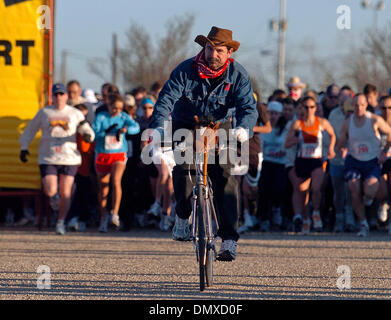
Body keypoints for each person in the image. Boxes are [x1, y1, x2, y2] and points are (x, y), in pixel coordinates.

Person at [149, 26, 258, 261]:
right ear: (204, 48)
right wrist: (158, 126)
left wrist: (243, 130)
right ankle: (181, 214)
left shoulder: (238, 74)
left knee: (226, 177)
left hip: (220, 125)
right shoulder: (185, 70)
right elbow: (166, 98)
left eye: (219, 50)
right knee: (183, 169)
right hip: (186, 123)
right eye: (210, 48)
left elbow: (248, 107)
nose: (213, 54)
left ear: (229, 52)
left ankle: (228, 239)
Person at [19, 83, 95, 235]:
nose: (59, 97)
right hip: (48, 156)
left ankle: (61, 222)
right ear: (52, 97)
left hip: (69, 157)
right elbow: (30, 129)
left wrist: (88, 135)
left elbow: (85, 128)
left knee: (66, 192)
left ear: (66, 96)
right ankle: (54, 199)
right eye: (56, 94)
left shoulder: (74, 113)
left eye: (62, 94)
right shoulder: (44, 112)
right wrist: (24, 147)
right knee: (51, 189)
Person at [337, 93, 391, 237]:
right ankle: (363, 223)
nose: (359, 108)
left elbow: (390, 133)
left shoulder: (374, 120)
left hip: (372, 160)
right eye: (356, 105)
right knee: (354, 187)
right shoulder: (348, 122)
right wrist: (341, 148)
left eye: (361, 105)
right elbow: (341, 140)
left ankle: (368, 200)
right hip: (354, 160)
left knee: (370, 191)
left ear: (366, 105)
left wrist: (384, 152)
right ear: (352, 106)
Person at [285, 96, 336, 235]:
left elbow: (332, 135)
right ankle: (306, 219)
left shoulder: (322, 122)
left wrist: (331, 149)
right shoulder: (297, 124)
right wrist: (296, 139)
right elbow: (286, 143)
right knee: (302, 191)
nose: (309, 110)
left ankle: (316, 212)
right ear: (302, 108)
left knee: (317, 188)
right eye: (306, 107)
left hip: (316, 160)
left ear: (316, 108)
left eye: (312, 107)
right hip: (302, 160)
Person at [93, 94, 140, 232]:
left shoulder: (124, 116)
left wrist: (125, 130)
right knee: (103, 189)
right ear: (108, 105)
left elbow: (136, 127)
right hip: (102, 153)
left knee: (116, 180)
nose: (117, 111)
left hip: (119, 154)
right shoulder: (101, 117)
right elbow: (94, 132)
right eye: (114, 108)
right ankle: (103, 218)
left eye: (120, 108)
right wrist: (105, 132)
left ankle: (115, 214)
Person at [237, 92, 271, 234]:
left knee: (251, 190)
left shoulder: (257, 105)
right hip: (236, 150)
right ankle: (241, 218)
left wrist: (250, 129)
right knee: (237, 185)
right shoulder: (233, 103)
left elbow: (268, 128)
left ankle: (255, 215)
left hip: (253, 150)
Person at [257, 101, 288, 231]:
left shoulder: (286, 129)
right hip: (266, 163)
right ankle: (263, 219)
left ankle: (277, 214)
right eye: (271, 113)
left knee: (279, 190)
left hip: (280, 164)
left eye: (276, 113)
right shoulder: (262, 128)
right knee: (264, 191)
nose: (273, 116)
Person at [327, 95, 355, 232]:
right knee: (338, 190)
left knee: (351, 188)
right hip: (337, 158)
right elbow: (331, 134)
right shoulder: (334, 115)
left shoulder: (358, 118)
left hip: (353, 157)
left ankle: (349, 217)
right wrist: (337, 147)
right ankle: (339, 217)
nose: (349, 114)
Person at [67, 103, 96, 232]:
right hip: (69, 166)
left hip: (84, 168)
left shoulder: (88, 130)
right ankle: (70, 218)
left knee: (83, 194)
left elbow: (88, 148)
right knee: (70, 194)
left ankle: (83, 219)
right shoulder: (67, 129)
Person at [376, 96, 391, 229]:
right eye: (383, 108)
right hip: (377, 160)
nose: (387, 111)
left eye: (390, 108)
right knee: (381, 190)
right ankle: (383, 204)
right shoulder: (375, 121)